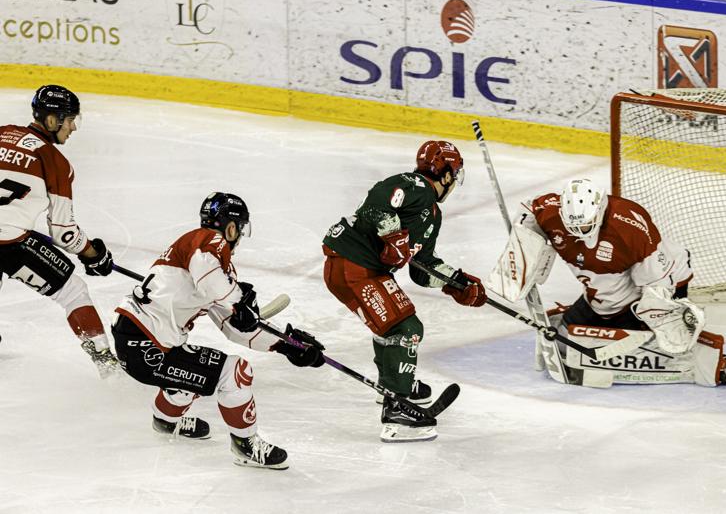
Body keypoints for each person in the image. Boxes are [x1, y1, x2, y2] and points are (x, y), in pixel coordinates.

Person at [111, 192, 323, 469]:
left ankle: (165, 420)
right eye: (240, 228)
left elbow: (234, 327)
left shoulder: (207, 267)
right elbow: (218, 287)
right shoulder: (208, 242)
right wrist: (238, 301)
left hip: (138, 340)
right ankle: (245, 447)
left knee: (193, 375)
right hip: (147, 343)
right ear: (232, 226)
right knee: (235, 374)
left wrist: (286, 345)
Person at [495, 178, 726, 387]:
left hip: (661, 280)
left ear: (599, 210)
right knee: (562, 340)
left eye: (586, 226)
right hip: (605, 289)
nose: (579, 233)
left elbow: (656, 284)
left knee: (660, 345)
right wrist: (524, 248)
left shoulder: (629, 228)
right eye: (574, 226)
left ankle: (700, 358)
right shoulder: (552, 211)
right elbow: (529, 209)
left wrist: (658, 316)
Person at [322, 140, 487, 442]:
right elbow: (377, 202)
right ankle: (397, 408)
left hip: (363, 269)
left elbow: (422, 267)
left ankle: (394, 383)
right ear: (447, 174)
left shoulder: (432, 215)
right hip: (352, 263)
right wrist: (393, 235)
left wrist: (456, 282)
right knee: (405, 326)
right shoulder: (415, 185)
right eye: (456, 174)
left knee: (392, 323)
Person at [0, 85, 118, 377]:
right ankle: (107, 366)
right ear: (52, 121)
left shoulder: (2, 133)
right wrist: (94, 254)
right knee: (73, 291)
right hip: (9, 244)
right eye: (70, 119)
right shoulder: (56, 163)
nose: (74, 127)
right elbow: (64, 234)